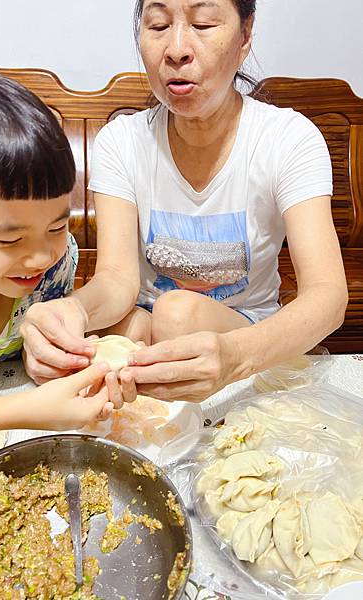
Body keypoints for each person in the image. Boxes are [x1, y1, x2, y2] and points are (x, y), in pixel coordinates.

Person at [20, 0, 347, 402]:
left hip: (243, 335)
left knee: (177, 314)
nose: (176, 49)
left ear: (245, 36)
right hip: (146, 334)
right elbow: (117, 279)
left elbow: (328, 296)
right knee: (130, 330)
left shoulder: (288, 139)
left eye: (203, 23)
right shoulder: (122, 142)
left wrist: (236, 356)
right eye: (157, 25)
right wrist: (73, 311)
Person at [0, 70, 133, 448]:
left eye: (56, 227)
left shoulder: (56, 267)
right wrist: (24, 409)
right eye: (9, 239)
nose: (41, 257)